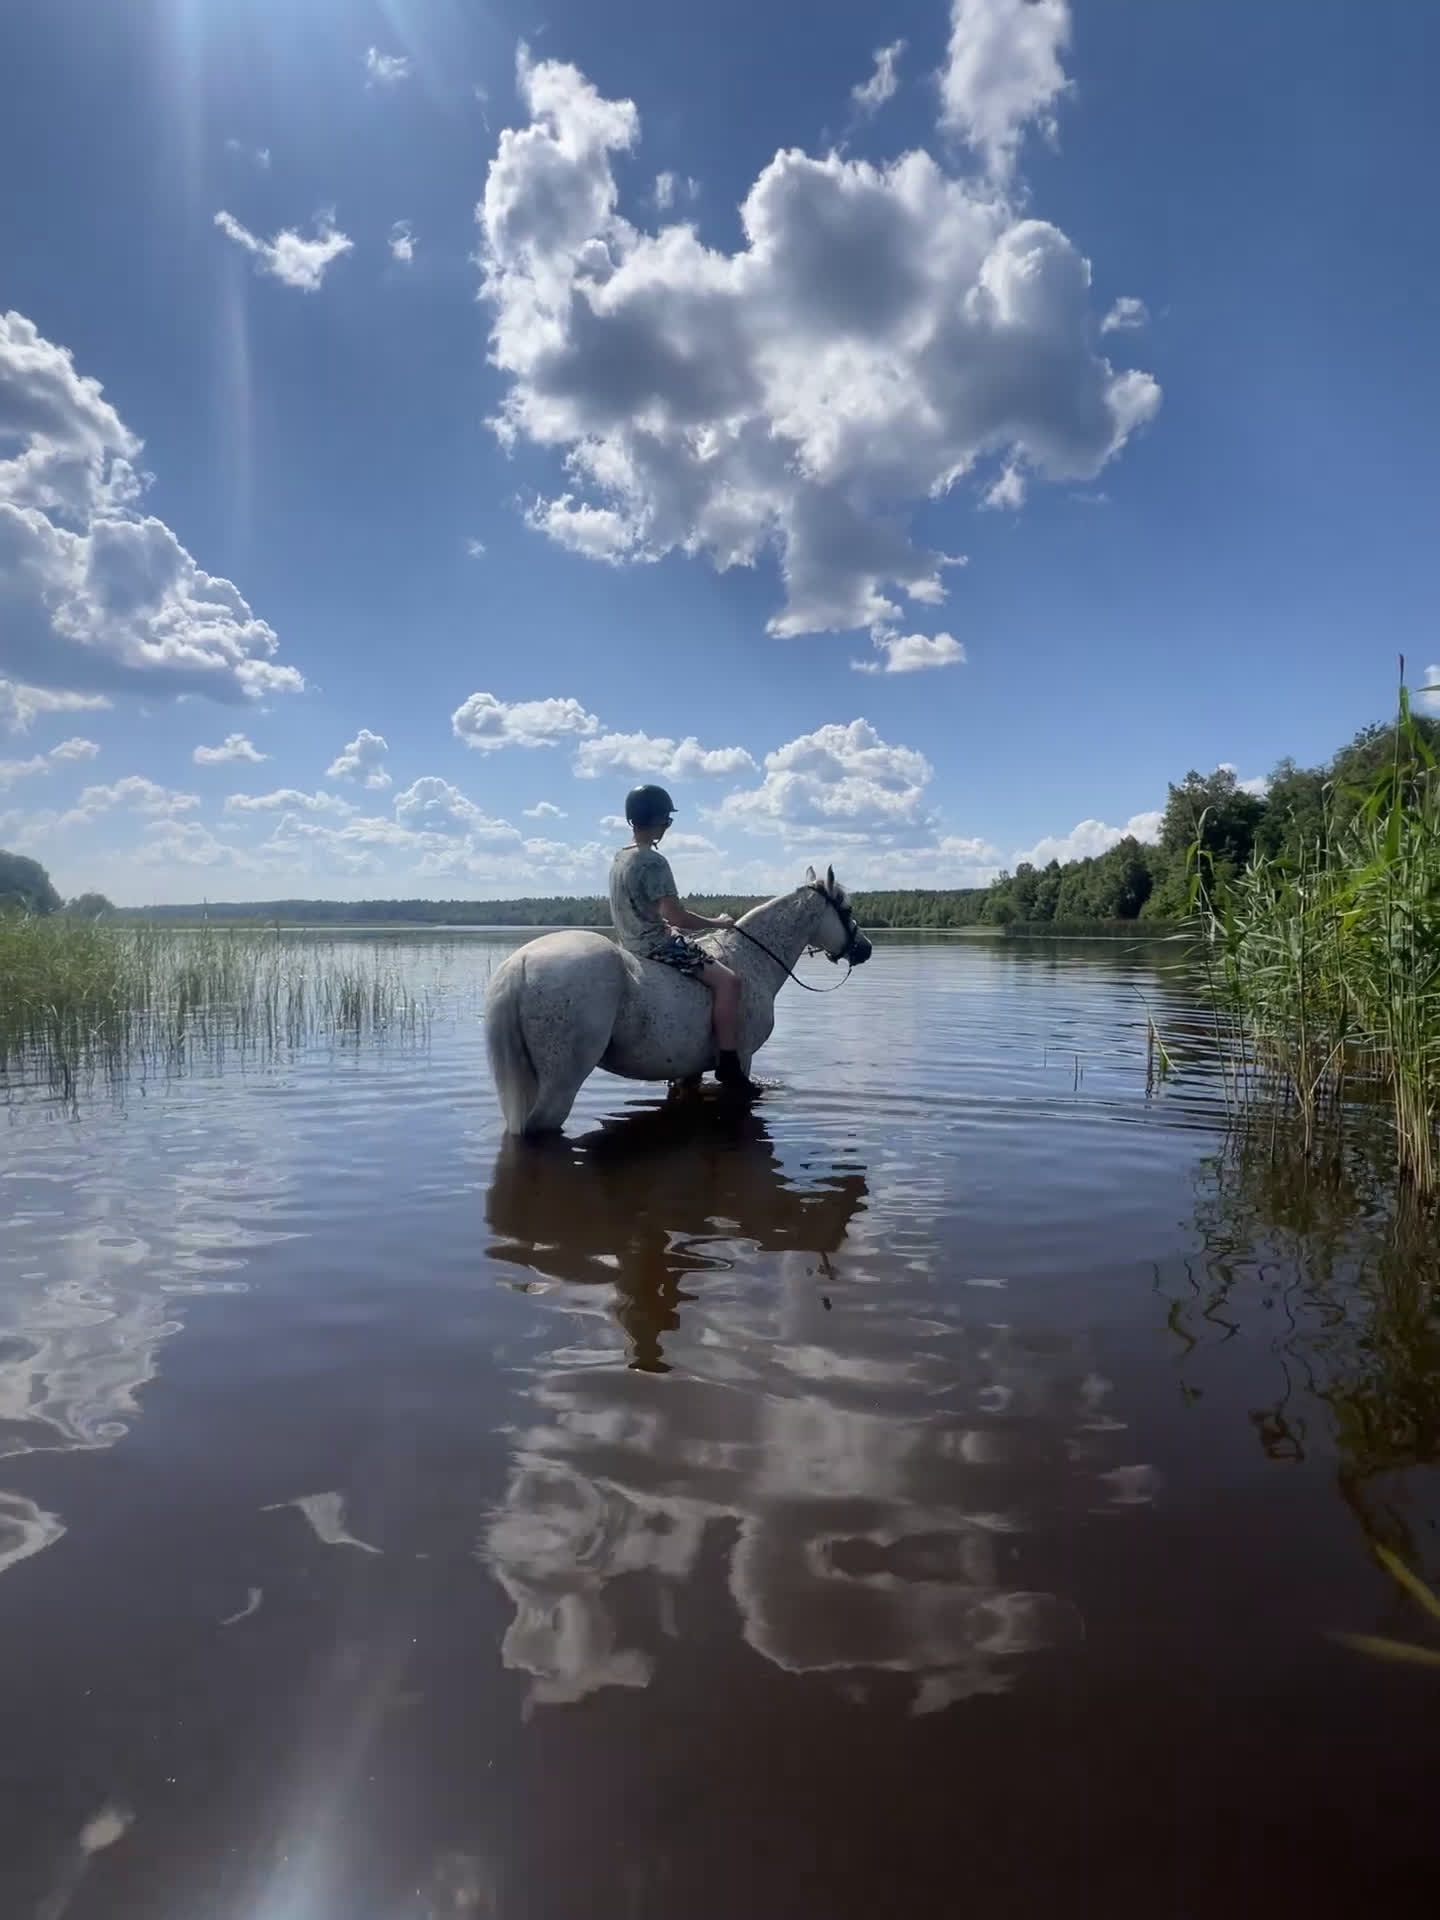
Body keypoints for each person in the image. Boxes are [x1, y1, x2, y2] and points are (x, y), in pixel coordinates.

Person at [608, 783, 761, 1095]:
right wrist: (718, 923)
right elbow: (677, 916)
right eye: (667, 819)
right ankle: (729, 1064)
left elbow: (643, 911)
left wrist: (665, 925)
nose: (667, 826)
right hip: (657, 946)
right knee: (729, 982)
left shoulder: (619, 857)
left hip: (630, 944)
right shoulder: (653, 861)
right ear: (657, 819)